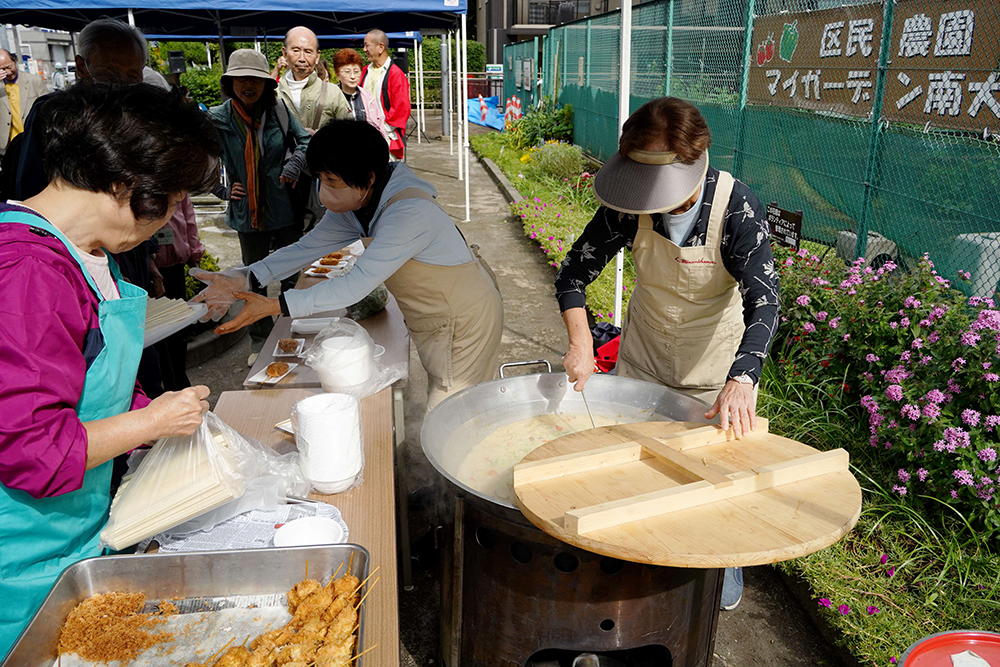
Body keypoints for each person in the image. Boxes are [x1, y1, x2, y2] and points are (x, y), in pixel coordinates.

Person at [0, 82, 218, 656]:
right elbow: (29, 448)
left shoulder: (87, 252)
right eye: (171, 200)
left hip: (80, 531)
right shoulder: (27, 271)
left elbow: (95, 377)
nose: (172, 220)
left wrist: (149, 416)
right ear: (126, 184)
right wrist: (152, 426)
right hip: (23, 561)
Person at [556, 97, 780, 611]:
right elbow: (573, 274)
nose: (654, 202)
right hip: (644, 359)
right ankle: (636, 565)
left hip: (712, 372)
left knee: (714, 484)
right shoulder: (626, 204)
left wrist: (743, 377)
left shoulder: (736, 206)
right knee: (631, 471)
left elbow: (765, 299)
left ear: (696, 160)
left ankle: (716, 578)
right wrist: (581, 341)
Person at [192, 120, 503, 410]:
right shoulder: (359, 201)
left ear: (367, 178)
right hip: (435, 317)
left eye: (331, 181)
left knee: (452, 410)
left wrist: (275, 305)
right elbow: (307, 247)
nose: (323, 191)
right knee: (446, 398)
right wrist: (246, 277)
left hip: (464, 320)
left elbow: (354, 285)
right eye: (319, 178)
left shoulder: (409, 212)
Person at [208, 49, 312, 366]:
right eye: (241, 79)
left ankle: (294, 332)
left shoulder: (278, 111)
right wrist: (220, 189)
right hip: (245, 213)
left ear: (266, 84)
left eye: (255, 79)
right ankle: (261, 341)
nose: (248, 85)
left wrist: (294, 165)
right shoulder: (218, 118)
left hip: (284, 208)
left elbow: (306, 142)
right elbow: (199, 158)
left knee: (293, 275)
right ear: (231, 83)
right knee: (253, 280)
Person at [361, 30, 410, 161]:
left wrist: (382, 129)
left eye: (367, 45)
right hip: (363, 137)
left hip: (386, 137)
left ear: (381, 47)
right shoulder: (364, 71)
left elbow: (401, 109)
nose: (364, 49)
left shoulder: (396, 74)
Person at [332, 48, 389, 145]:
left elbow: (379, 128)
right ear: (337, 75)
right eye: (347, 72)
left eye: (356, 71)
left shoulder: (368, 98)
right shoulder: (331, 96)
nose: (353, 76)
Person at [0, 48, 46, 158]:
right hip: (7, 144)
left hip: (32, 140)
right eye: (2, 69)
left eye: (9, 67)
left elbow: (47, 108)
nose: (8, 72)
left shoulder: (33, 81)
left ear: (15, 62)